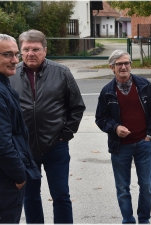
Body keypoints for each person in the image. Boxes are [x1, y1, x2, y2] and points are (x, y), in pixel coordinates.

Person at [9, 29, 86, 224]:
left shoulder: (61, 72)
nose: (30, 54)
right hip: (25, 149)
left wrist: (65, 134)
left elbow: (76, 106)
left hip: (55, 146)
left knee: (61, 195)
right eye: (25, 49)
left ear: (45, 50)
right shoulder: (11, 74)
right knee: (30, 196)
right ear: (20, 50)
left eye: (35, 49)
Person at [95, 49, 151, 224]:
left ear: (131, 65)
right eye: (119, 64)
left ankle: (144, 219)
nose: (123, 67)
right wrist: (115, 128)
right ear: (112, 68)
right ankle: (128, 220)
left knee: (147, 186)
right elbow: (100, 118)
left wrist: (150, 135)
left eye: (127, 63)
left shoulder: (144, 86)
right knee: (123, 188)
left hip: (143, 143)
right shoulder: (107, 91)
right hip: (120, 146)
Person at [0, 34, 41, 223]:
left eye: (16, 54)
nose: (15, 60)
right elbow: (3, 143)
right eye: (8, 54)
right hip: (6, 179)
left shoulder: (4, 85)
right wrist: (19, 175)